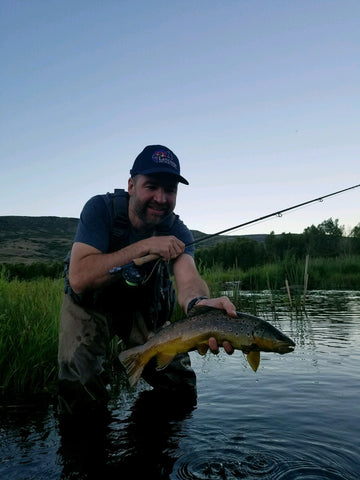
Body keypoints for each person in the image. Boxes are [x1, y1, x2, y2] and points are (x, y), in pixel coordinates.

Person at [58, 144, 236, 415]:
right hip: (89, 306)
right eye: (151, 186)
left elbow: (188, 281)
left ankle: (155, 449)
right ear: (131, 185)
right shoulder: (100, 210)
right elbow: (80, 277)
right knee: (81, 386)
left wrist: (201, 304)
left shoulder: (177, 230)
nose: (161, 198)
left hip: (140, 310)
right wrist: (145, 247)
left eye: (170, 190)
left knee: (180, 385)